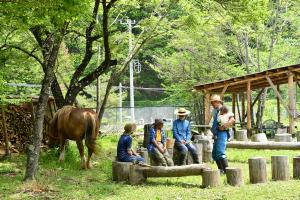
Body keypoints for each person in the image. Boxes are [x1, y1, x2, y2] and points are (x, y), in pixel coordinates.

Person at [210, 94, 235, 173]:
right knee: (214, 153)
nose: (211, 104)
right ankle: (221, 170)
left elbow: (232, 120)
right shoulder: (214, 110)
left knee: (220, 152)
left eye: (212, 102)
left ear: (217, 102)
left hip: (223, 132)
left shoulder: (224, 109)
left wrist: (224, 126)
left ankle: (227, 171)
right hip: (216, 133)